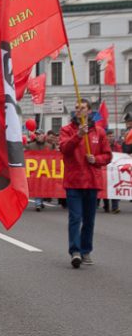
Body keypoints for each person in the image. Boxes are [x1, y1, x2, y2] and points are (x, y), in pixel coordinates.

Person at [60, 100, 111, 268]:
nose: (78, 110)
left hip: (92, 181)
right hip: (74, 181)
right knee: (75, 217)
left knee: (89, 220)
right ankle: (75, 251)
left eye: (82, 108)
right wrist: (78, 136)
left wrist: (96, 159)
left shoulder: (99, 132)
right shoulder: (67, 130)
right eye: (76, 108)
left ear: (89, 111)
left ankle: (86, 250)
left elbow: (108, 156)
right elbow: (64, 149)